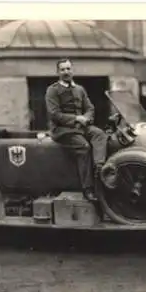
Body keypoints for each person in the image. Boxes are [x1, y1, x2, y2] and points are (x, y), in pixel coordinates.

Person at [45, 58, 108, 202]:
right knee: (84, 147)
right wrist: (76, 119)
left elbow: (90, 108)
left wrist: (86, 117)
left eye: (68, 69)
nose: (66, 72)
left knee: (100, 134)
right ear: (58, 72)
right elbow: (54, 114)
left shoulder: (79, 89)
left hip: (81, 127)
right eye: (63, 69)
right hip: (62, 130)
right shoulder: (53, 90)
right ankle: (87, 188)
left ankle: (100, 168)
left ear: (72, 70)